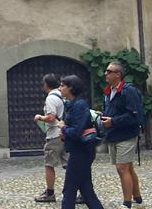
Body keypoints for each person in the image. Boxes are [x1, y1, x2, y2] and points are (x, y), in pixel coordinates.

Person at [101, 62, 145, 209]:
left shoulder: (128, 91)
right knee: (128, 167)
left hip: (126, 134)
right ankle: (137, 198)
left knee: (122, 168)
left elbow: (135, 116)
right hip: (114, 135)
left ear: (118, 74)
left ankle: (127, 203)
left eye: (108, 71)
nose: (105, 74)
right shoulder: (109, 91)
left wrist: (113, 121)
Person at [58, 75, 104, 209]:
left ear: (70, 88)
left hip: (82, 152)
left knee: (69, 190)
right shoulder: (71, 105)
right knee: (86, 190)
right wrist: (64, 133)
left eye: (62, 85)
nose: (60, 88)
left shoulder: (79, 105)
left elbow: (77, 132)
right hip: (79, 151)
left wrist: (64, 128)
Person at [33, 73, 67, 203]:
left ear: (46, 85)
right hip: (64, 133)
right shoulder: (62, 96)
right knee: (68, 164)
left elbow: (51, 117)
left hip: (54, 135)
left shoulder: (51, 98)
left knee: (49, 164)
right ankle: (79, 190)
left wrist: (39, 117)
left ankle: (50, 192)